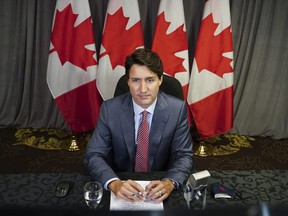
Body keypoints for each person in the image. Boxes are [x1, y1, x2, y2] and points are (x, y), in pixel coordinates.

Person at [84, 48, 193, 202]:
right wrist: (113, 183)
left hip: (159, 180)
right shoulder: (110, 109)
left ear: (160, 80)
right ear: (128, 81)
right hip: (121, 180)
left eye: (150, 80)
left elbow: (184, 155)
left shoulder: (177, 109)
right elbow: (93, 155)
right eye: (135, 80)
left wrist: (169, 182)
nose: (143, 89)